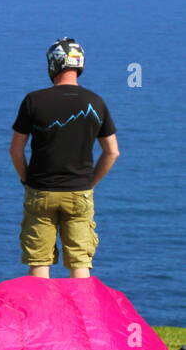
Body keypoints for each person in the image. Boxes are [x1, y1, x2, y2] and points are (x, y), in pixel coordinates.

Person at [10, 37, 119, 278]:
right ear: (79, 65)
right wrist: (89, 183)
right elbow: (112, 151)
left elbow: (16, 149)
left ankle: (41, 314)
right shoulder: (96, 102)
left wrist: (27, 180)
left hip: (41, 191)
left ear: (53, 64)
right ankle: (82, 313)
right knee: (80, 262)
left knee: (39, 260)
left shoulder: (33, 100)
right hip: (78, 192)